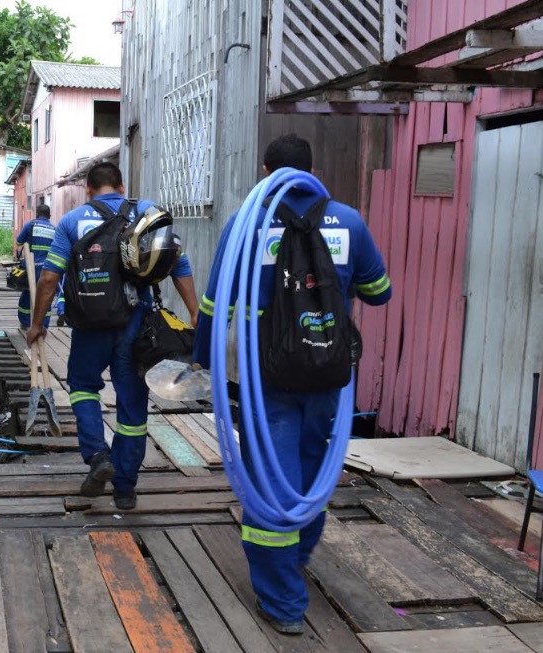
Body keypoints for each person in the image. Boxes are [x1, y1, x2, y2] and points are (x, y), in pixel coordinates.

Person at [193, 134, 392, 634]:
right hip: (327, 374)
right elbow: (378, 292)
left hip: (268, 380)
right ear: (311, 170)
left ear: (266, 173)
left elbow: (215, 306)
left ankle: (282, 602)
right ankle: (297, 557)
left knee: (270, 485)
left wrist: (201, 361)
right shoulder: (349, 221)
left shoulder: (246, 224)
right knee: (310, 473)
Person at [26, 162, 199, 510]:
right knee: (132, 402)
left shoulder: (71, 221)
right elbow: (176, 262)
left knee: (83, 387)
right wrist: (194, 312)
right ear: (122, 187)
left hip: (89, 324)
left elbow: (49, 279)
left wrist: (37, 324)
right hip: (137, 325)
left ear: (88, 190)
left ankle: (97, 455)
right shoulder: (145, 212)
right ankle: (125, 489)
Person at [15, 204, 55, 329]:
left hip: (31, 267)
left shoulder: (30, 225)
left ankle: (26, 323)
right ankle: (44, 325)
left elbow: (18, 242)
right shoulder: (54, 229)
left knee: (27, 294)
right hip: (48, 268)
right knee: (45, 296)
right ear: (49, 216)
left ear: (37, 214)